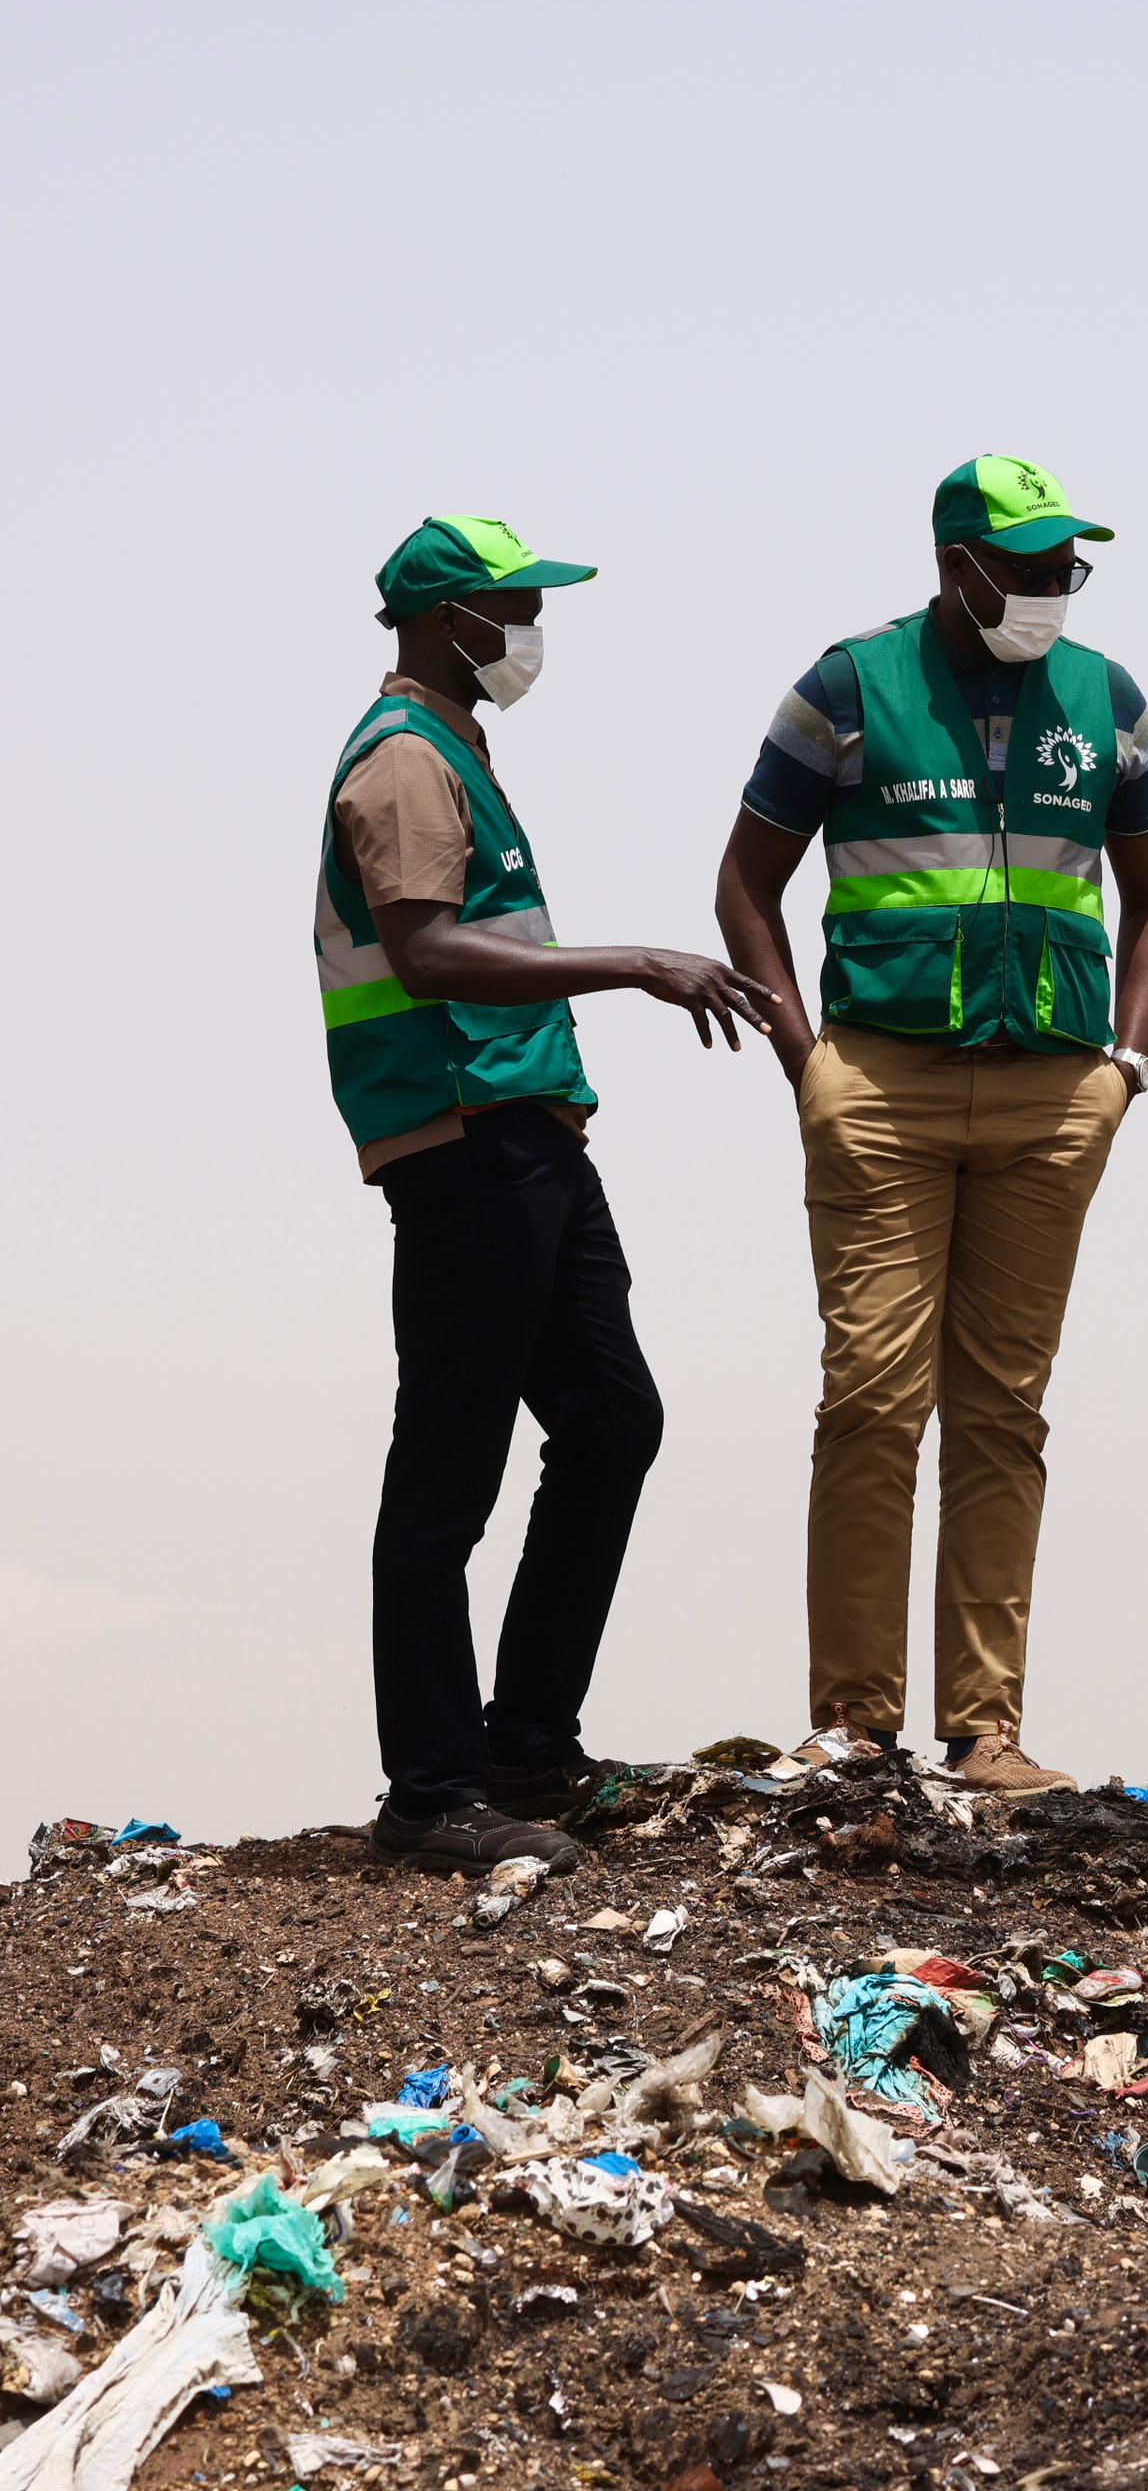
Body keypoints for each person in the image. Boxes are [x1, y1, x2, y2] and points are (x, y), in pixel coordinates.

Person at [717, 456, 1148, 1794]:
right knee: (873, 1398)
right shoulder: (848, 689)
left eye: (1065, 568)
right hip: (882, 1085)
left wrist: (1126, 1069)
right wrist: (808, 1062)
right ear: (956, 564)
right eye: (1029, 565)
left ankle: (986, 1732)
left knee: (1003, 1415)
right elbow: (746, 884)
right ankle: (857, 1724)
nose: (1051, 589)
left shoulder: (1110, 703)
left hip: (1053, 1099)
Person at [320, 516, 778, 1875]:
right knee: (446, 1470)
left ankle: (527, 1744)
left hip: (529, 1138)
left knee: (611, 1417)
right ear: (443, 618)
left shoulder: (456, 745)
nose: (529, 634)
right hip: (461, 1140)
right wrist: (639, 963)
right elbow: (429, 948)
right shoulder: (404, 757)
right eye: (511, 608)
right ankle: (432, 1791)